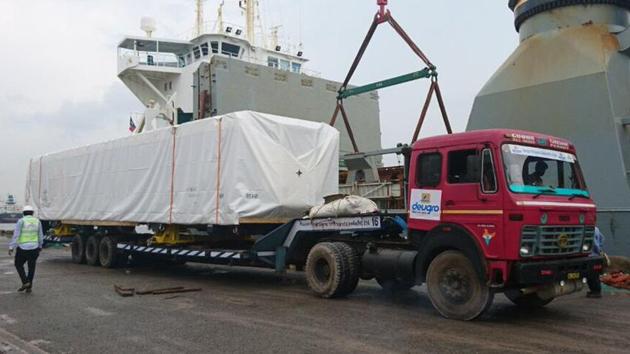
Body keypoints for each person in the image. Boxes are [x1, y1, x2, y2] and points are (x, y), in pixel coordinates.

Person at [8, 205, 44, 293]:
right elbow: (40, 235)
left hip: (23, 248)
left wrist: (11, 247)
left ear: (23, 213)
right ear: (32, 213)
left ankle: (25, 282)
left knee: (18, 264)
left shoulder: (21, 221)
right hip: (34, 247)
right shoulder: (37, 221)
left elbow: (16, 235)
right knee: (32, 267)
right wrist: (40, 246)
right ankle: (29, 286)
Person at [586, 227, 604, 298]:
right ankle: (595, 291)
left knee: (592, 275)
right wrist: (600, 248)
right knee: (595, 274)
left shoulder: (589, 229)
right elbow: (602, 238)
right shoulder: (596, 229)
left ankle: (596, 292)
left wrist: (598, 249)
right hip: (596, 255)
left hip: (591, 255)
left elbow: (594, 243)